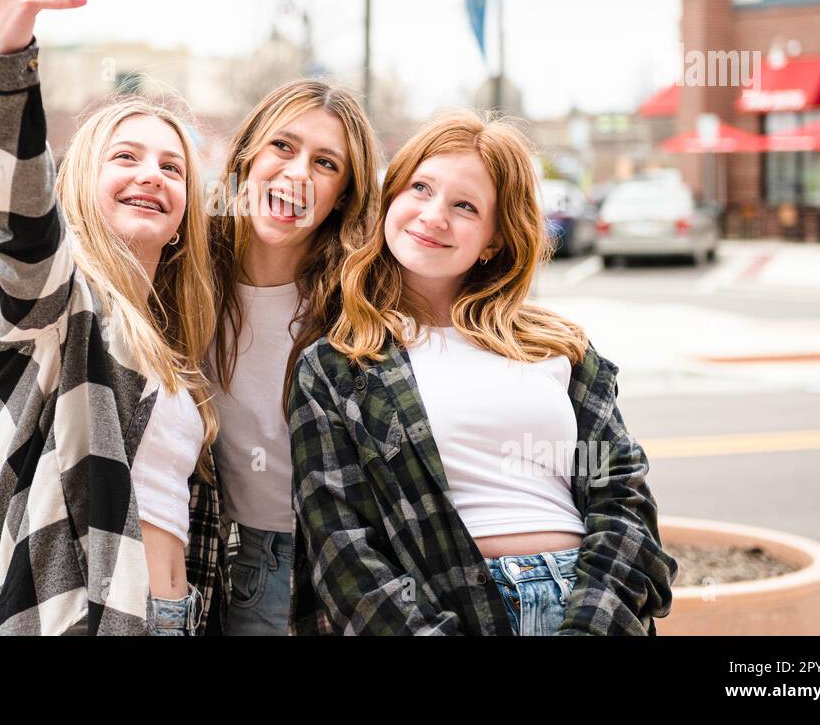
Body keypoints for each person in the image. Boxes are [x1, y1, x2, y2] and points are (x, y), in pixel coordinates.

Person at [288, 109, 678, 635]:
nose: (433, 215)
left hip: (585, 603)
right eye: (420, 188)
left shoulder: (559, 347)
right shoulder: (338, 365)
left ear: (495, 239)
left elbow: (623, 498)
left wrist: (590, 626)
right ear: (391, 198)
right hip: (446, 610)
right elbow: (343, 551)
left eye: (465, 206)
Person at [0, 0, 223, 635]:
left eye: (173, 168)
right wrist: (4, 51)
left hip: (174, 617)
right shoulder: (62, 308)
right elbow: (19, 213)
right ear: (83, 183)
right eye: (127, 157)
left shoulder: (171, 338)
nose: (152, 176)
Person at [206, 80, 380, 635]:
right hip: (233, 556)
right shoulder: (187, 274)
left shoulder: (362, 299)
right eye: (283, 146)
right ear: (248, 155)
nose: (299, 172)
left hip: (353, 562)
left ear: (344, 196)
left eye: (326, 163)